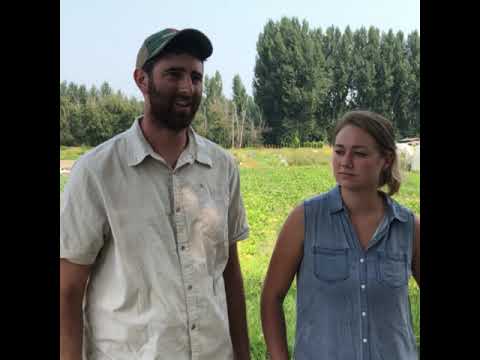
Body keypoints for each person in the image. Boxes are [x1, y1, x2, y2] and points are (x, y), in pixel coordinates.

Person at [60, 28, 251, 360]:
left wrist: (243, 354)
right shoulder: (98, 173)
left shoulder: (223, 168)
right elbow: (67, 290)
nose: (187, 88)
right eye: (173, 74)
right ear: (141, 80)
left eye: (196, 77)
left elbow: (229, 273)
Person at [261, 110, 420, 360]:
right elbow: (271, 298)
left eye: (359, 153)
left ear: (386, 160)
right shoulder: (304, 220)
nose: (345, 161)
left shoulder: (409, 226)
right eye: (339, 151)